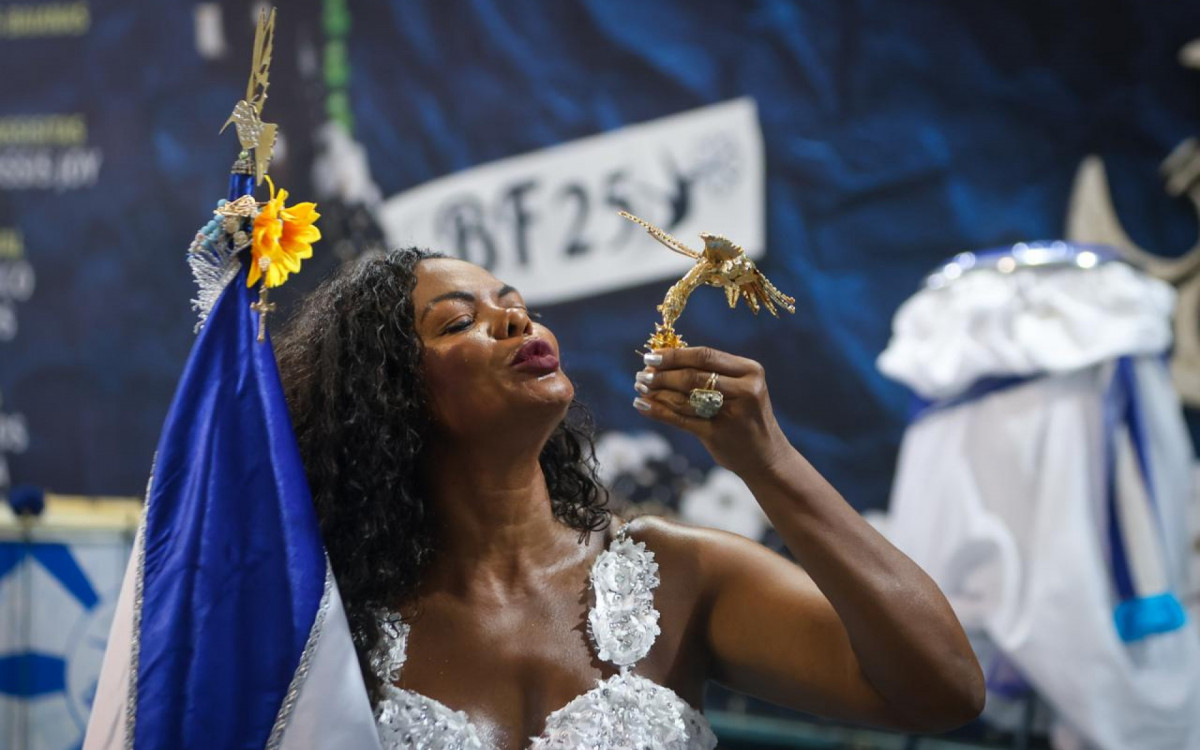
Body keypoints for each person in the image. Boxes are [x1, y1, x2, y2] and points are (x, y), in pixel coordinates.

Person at [274, 248, 984, 749]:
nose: (518, 324)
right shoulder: (335, 629)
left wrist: (769, 462)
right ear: (385, 396)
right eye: (460, 322)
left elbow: (943, 690)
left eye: (517, 307)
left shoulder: (677, 573)